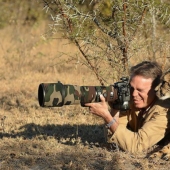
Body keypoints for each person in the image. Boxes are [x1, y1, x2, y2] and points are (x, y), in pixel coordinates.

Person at [85, 61, 170, 153]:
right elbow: (112, 137)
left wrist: (107, 116)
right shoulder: (130, 99)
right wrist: (115, 108)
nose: (133, 94)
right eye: (132, 88)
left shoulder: (163, 111)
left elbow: (136, 145)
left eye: (140, 90)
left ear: (156, 89)